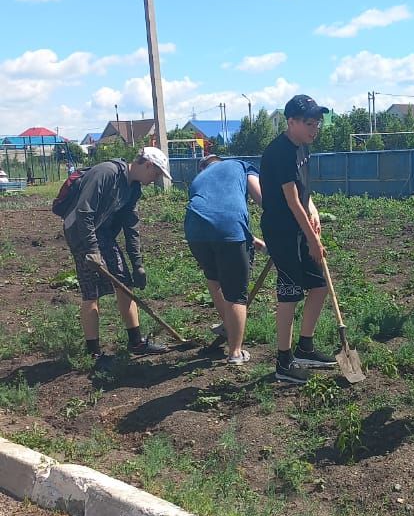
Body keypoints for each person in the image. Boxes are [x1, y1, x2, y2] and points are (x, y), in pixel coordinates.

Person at [60, 147, 172, 363]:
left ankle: (136, 342)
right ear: (147, 165)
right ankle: (93, 353)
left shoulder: (133, 188)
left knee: (124, 282)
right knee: (91, 290)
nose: (155, 179)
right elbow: (84, 211)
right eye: (156, 173)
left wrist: (137, 264)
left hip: (101, 231)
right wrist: (92, 250)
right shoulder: (107, 172)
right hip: (80, 231)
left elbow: (131, 226)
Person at [259, 95, 335, 384]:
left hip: (301, 227)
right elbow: (291, 201)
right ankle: (283, 360)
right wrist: (312, 240)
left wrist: (313, 210)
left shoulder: (303, 147)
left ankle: (305, 347)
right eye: (309, 123)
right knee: (290, 293)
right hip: (282, 231)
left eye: (317, 123)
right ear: (291, 122)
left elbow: (305, 193)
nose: (314, 129)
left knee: (319, 285)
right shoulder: (279, 152)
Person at [184, 155, 265, 366]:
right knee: (237, 294)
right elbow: (261, 197)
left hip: (194, 232)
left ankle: (229, 327)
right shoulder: (240, 166)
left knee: (213, 278)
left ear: (203, 167)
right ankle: (235, 353)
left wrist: (249, 238)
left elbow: (212, 211)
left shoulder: (197, 181)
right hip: (229, 229)